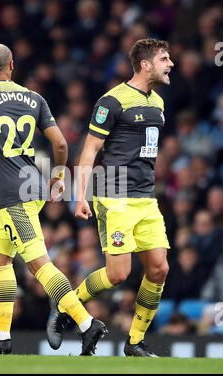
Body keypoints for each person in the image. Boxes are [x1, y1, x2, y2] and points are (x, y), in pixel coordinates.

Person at [0, 43, 107, 355]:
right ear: (12, 64)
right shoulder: (34, 97)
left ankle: (87, 323)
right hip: (32, 185)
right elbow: (61, 144)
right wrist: (58, 177)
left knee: (39, 265)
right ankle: (1, 335)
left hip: (14, 196)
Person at [47, 38, 174, 357]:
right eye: (164, 59)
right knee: (118, 274)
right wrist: (81, 197)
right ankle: (65, 309)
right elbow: (89, 149)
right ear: (146, 65)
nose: (170, 64)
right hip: (114, 193)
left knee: (159, 269)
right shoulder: (112, 101)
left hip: (145, 196)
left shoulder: (158, 103)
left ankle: (135, 343)